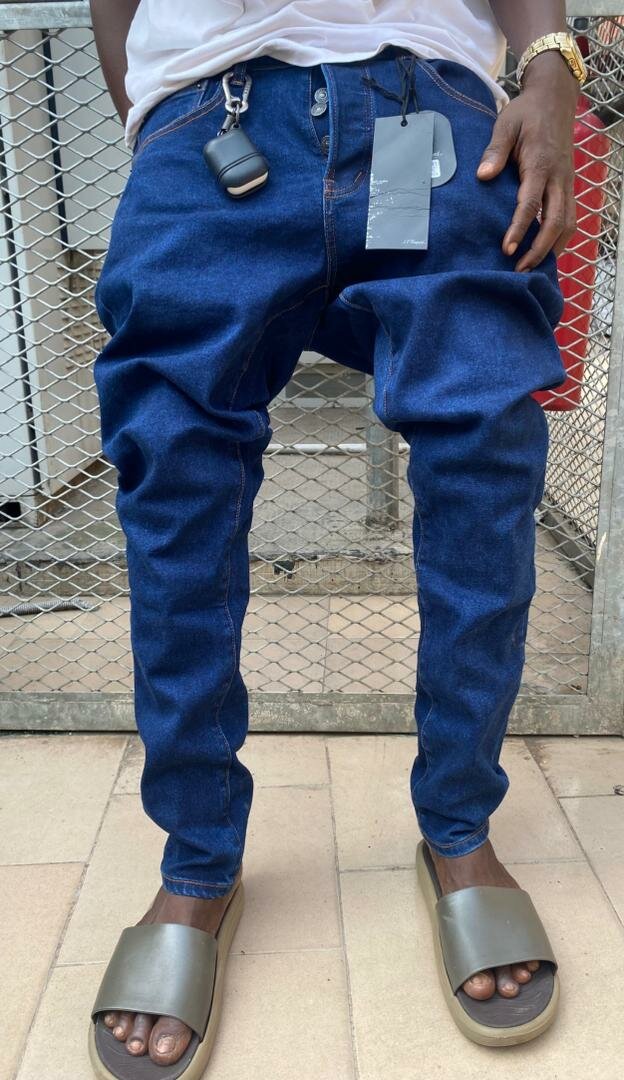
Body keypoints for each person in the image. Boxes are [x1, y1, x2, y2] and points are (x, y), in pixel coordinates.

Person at [87, 2, 583, 1075]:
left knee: (483, 480)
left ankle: (459, 830)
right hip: (208, 127)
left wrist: (553, 69)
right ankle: (198, 863)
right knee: (176, 499)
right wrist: (153, 117)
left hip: (429, 122)